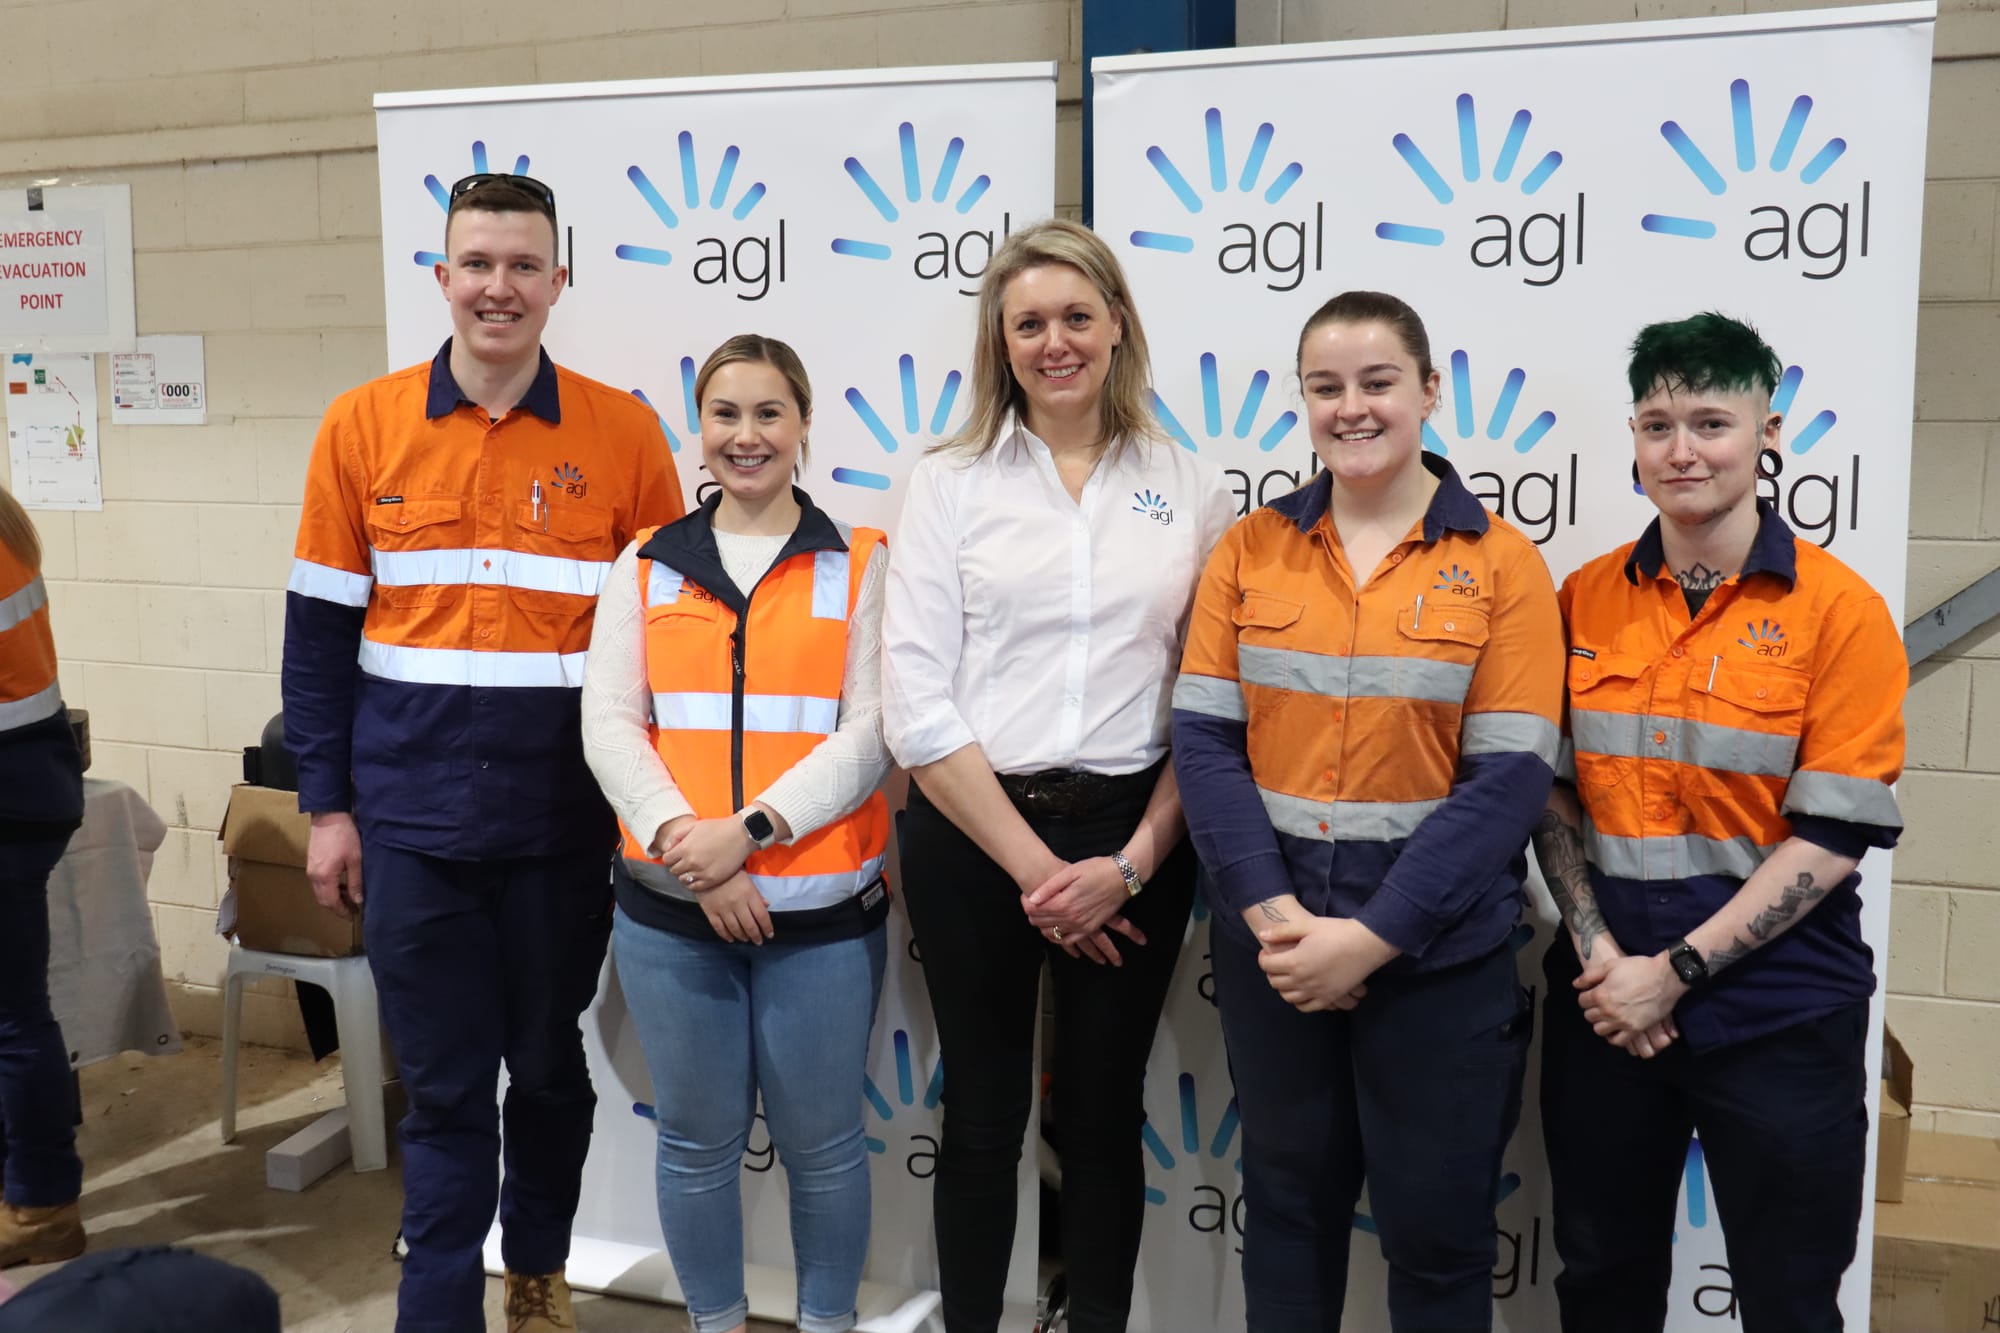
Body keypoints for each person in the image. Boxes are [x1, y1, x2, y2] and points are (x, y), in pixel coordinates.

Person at [281, 172, 684, 1333]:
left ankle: (541, 1277)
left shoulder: (622, 433)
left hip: (563, 826)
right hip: (412, 827)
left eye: (522, 265)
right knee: (447, 1091)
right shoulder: (361, 426)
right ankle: (437, 1305)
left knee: (549, 1072)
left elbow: (662, 643)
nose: (497, 287)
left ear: (559, 280)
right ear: (442, 275)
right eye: (476, 263)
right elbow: (316, 638)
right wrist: (327, 807)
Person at [1172, 291, 1564, 1331]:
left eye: (1377, 382)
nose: (1351, 407)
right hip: (1279, 957)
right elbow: (1206, 745)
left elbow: (1509, 783)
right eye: (1325, 387)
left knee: (1436, 1244)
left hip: (1438, 970)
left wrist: (1374, 937)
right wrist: (1272, 916)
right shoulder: (1249, 551)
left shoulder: (1501, 565)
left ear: (1429, 391)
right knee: (1288, 1220)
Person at [881, 217, 1235, 1333]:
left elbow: (1206, 704)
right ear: (999, 338)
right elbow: (917, 704)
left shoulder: (1188, 484)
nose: (1054, 342)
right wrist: (1043, 874)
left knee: (1098, 1115)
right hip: (977, 829)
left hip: (1137, 833)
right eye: (1028, 322)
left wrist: (1123, 868)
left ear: (1118, 326)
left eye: (1076, 316)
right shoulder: (946, 482)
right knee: (983, 1115)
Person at [1531, 312, 1905, 1332]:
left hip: (1780, 1015)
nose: (1680, 449)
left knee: (1788, 1299)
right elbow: (1551, 793)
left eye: (1709, 421)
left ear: (1767, 431)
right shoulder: (1581, 599)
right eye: (1655, 425)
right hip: (1606, 1010)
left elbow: (1828, 839)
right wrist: (1606, 956)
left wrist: (1675, 971)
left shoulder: (1839, 611)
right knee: (1599, 1286)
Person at [581, 334, 891, 1333]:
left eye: (768, 413)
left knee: (825, 1146)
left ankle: (826, 1323)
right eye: (725, 414)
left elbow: (871, 730)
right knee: (696, 1143)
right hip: (671, 916)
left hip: (820, 916)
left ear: (803, 427)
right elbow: (609, 725)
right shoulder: (643, 564)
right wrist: (692, 847)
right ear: (698, 430)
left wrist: (747, 833)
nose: (745, 435)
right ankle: (714, 1322)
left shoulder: (862, 560)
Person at [0, 483, 86, 1271]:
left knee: (13, 1019)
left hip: (8, 799)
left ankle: (41, 1204)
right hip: (34, 784)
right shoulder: (7, 521)